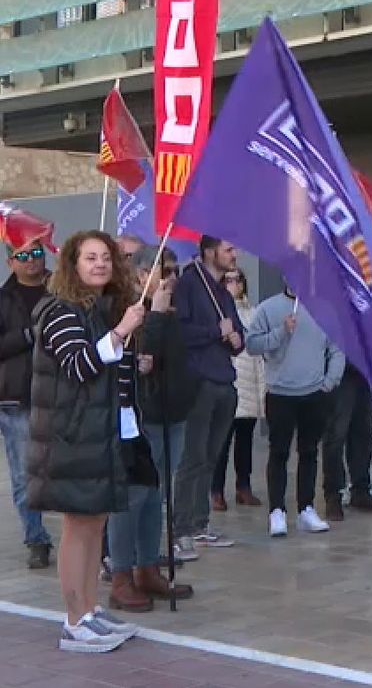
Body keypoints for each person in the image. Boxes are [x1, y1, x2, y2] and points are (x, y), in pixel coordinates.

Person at [27, 231, 145, 652]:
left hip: (98, 434)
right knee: (79, 526)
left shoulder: (96, 309)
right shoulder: (59, 311)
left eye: (106, 258)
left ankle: (91, 611)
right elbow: (79, 365)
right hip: (70, 436)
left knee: (96, 524)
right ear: (72, 265)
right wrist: (121, 332)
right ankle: (74, 620)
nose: (100, 264)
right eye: (90, 258)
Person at [107, 257, 193, 612]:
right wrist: (155, 314)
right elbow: (143, 356)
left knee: (156, 497)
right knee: (132, 498)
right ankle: (121, 574)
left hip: (172, 412)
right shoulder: (129, 311)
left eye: (175, 272)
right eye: (165, 271)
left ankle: (147, 567)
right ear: (143, 275)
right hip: (142, 418)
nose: (171, 279)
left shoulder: (171, 312)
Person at [244, 290, 344, 537]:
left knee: (309, 452)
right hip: (280, 393)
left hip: (314, 392)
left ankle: (306, 508)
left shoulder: (325, 308)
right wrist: (281, 332)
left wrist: (330, 381)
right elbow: (252, 344)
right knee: (278, 452)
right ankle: (276, 511)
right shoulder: (268, 308)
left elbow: (337, 347)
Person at [171, 237, 245, 561]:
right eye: (229, 249)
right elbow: (180, 333)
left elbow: (239, 337)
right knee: (192, 458)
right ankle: (181, 529)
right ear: (209, 251)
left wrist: (235, 337)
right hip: (198, 382)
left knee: (210, 459)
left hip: (225, 382)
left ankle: (200, 524)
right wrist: (216, 332)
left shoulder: (222, 293)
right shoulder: (188, 283)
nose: (234, 254)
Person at [1, 238, 53, 569]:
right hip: (16, 399)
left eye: (37, 252)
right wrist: (27, 335)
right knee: (24, 475)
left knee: (70, 470)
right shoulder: (3, 299)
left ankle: (96, 539)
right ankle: (36, 538)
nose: (32, 260)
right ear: (11, 263)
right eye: (24, 255)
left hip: (60, 395)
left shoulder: (61, 290)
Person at [212, 270, 264, 510]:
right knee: (221, 443)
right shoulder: (217, 312)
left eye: (238, 279)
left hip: (250, 386)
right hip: (228, 384)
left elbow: (258, 353)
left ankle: (244, 487)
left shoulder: (253, 312)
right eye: (229, 280)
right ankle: (217, 491)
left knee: (245, 442)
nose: (234, 284)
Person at [321, 363, 372, 519]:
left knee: (364, 435)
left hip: (366, 372)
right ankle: (333, 495)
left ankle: (361, 490)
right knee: (335, 436)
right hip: (339, 371)